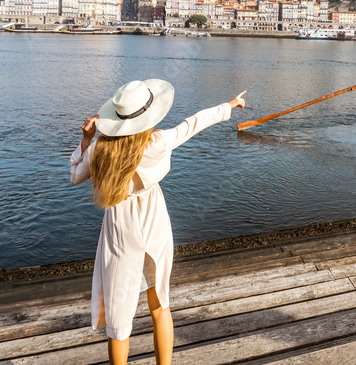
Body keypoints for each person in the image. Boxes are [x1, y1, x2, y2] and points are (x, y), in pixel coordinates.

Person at [69, 79, 246, 365]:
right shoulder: (158, 142)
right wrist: (229, 105)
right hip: (153, 219)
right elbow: (194, 123)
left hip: (119, 227)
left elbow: (75, 176)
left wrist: (87, 140)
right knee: (160, 304)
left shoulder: (101, 149)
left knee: (119, 319)